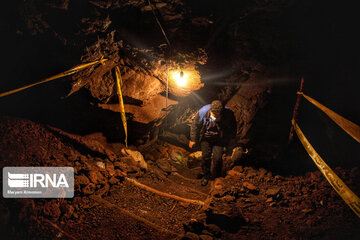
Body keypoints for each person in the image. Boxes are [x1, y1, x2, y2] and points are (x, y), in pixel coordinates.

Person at [189, 100, 237, 186]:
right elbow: (195, 125)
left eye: (218, 116)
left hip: (219, 139)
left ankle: (216, 177)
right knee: (205, 157)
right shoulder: (203, 112)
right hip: (206, 138)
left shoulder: (228, 114)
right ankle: (206, 176)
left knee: (218, 159)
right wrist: (193, 139)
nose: (216, 117)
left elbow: (233, 127)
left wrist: (232, 140)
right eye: (214, 115)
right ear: (211, 110)